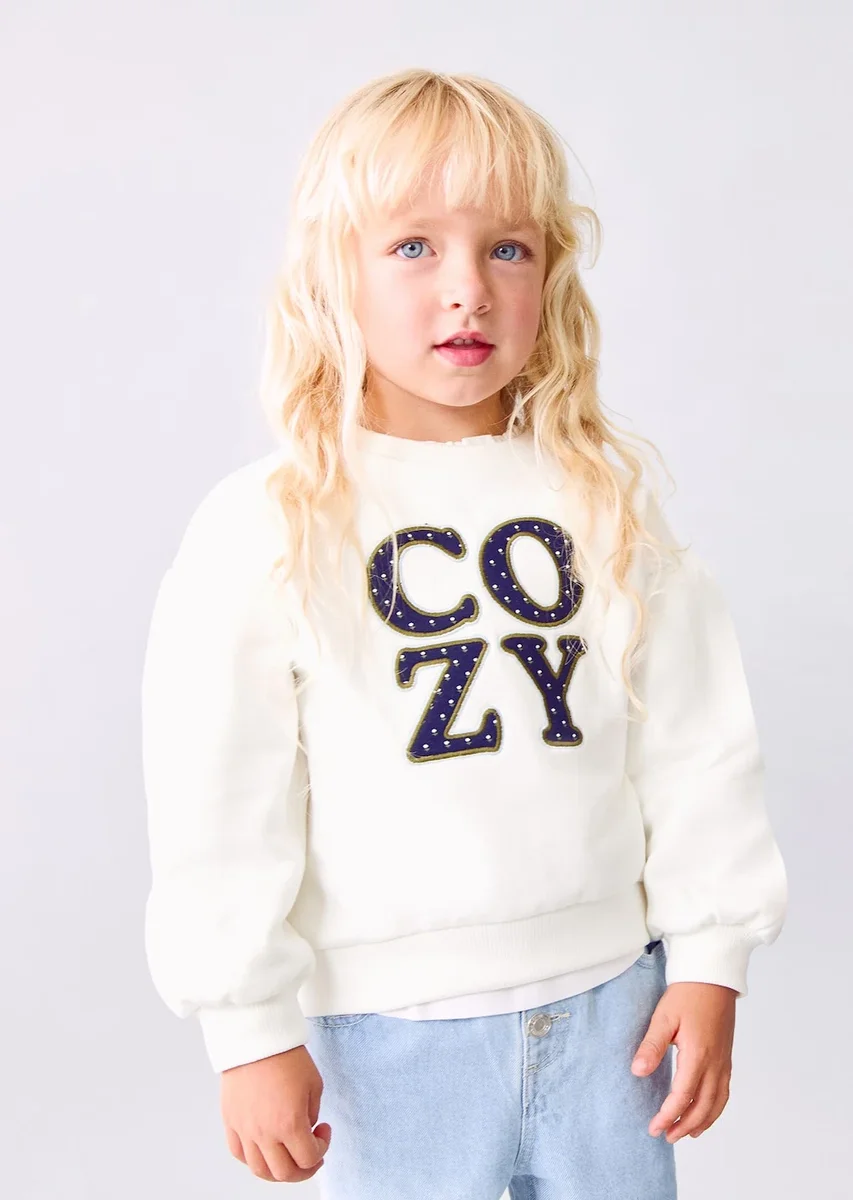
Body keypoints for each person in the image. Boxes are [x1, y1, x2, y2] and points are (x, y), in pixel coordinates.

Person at [140, 69, 788, 1198]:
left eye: (508, 249)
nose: (468, 292)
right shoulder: (272, 525)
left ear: (551, 273)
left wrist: (712, 957)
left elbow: (694, 744)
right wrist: (247, 1026)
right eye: (413, 247)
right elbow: (220, 792)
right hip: (390, 1044)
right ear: (334, 271)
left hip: (614, 1014)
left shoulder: (604, 501)